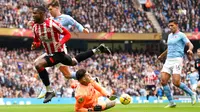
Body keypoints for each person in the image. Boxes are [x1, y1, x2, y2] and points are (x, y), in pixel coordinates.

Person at [31, 6, 110, 103]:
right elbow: (37, 41)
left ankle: (49, 91)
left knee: (39, 64)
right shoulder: (35, 27)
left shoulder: (52, 24)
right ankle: (97, 50)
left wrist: (60, 42)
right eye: (33, 13)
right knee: (73, 62)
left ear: (42, 14)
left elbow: (68, 34)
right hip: (51, 53)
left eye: (35, 13)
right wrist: (35, 45)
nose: (33, 15)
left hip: (58, 53)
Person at [157, 19, 196, 108]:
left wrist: (189, 49)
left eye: (172, 25)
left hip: (177, 60)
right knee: (163, 81)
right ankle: (171, 102)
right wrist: (162, 55)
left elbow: (190, 44)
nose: (170, 27)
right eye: (169, 26)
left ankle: (192, 94)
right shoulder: (169, 36)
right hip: (168, 60)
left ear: (176, 25)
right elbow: (169, 48)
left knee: (176, 83)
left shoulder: (181, 35)